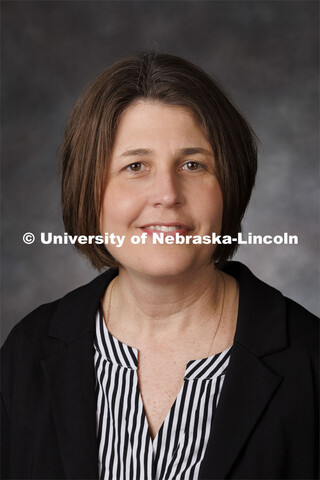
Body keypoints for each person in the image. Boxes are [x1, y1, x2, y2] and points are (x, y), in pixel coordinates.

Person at [1, 52, 318, 480]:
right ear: (89, 191)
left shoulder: (311, 361)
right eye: (135, 166)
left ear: (229, 184)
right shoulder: (28, 350)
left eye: (193, 164)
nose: (167, 194)